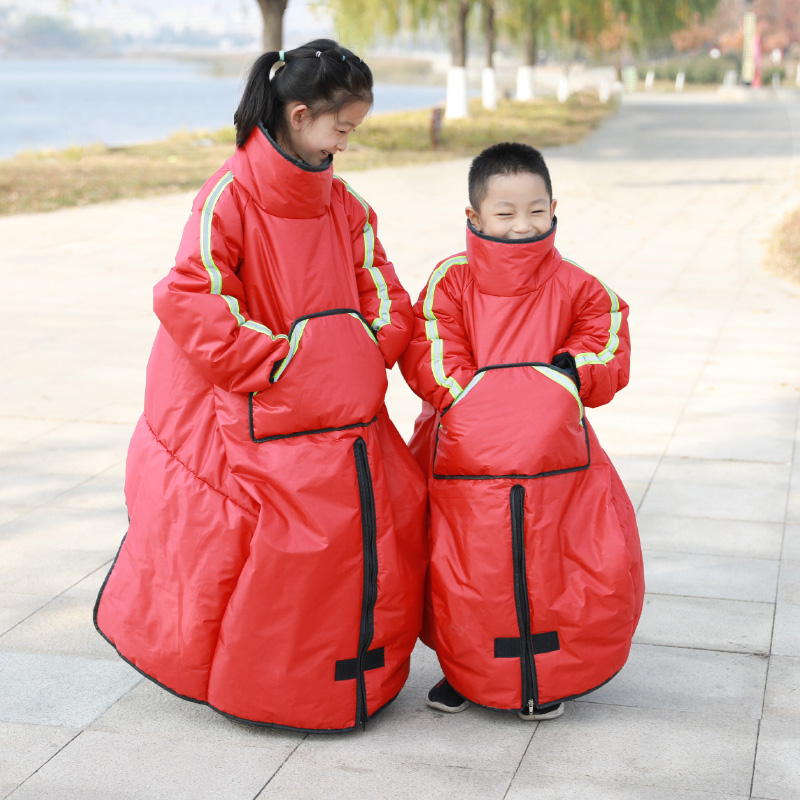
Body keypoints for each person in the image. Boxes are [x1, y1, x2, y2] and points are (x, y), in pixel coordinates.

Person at [94, 39, 427, 733]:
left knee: (369, 524)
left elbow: (388, 297)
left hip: (339, 408)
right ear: (300, 114)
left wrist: (362, 355)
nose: (346, 142)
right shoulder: (229, 196)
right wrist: (281, 365)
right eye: (341, 128)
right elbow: (193, 296)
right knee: (266, 545)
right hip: (253, 403)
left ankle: (346, 681)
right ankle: (271, 688)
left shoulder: (347, 208)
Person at [399, 142, 644, 721]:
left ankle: (548, 671)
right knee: (465, 570)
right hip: (466, 458)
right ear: (474, 217)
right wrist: (478, 400)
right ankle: (464, 668)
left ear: (554, 208)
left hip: (552, 457)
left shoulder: (576, 284)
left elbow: (607, 343)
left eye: (536, 210)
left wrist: (566, 376)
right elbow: (430, 353)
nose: (521, 225)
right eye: (504, 213)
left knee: (551, 565)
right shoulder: (451, 282)